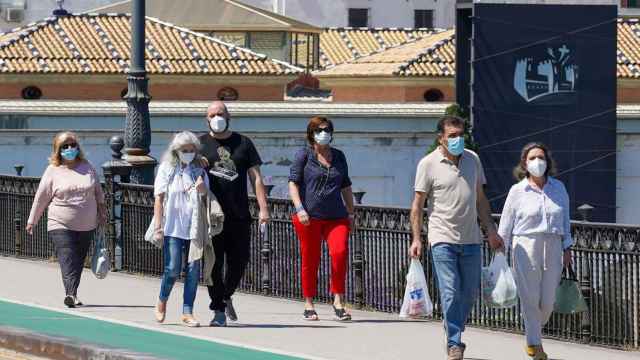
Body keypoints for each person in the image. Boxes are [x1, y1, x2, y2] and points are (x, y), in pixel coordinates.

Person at [409, 116, 503, 360]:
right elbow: (418, 205)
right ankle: (454, 342)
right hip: (442, 238)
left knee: (469, 293)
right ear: (441, 138)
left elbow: (480, 199)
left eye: (460, 134)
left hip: (471, 239)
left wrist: (491, 231)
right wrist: (417, 238)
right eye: (452, 135)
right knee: (450, 292)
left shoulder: (473, 159)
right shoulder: (428, 164)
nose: (457, 139)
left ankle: (453, 328)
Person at [498, 143, 573, 360]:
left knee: (547, 302)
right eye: (532, 158)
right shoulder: (517, 191)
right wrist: (500, 250)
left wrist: (567, 246)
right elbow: (506, 223)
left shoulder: (558, 188)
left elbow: (566, 220)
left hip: (553, 245)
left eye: (541, 157)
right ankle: (534, 344)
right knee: (530, 298)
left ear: (548, 161)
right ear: (524, 163)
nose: (537, 162)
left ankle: (533, 330)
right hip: (525, 245)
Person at [200, 100, 270, 327]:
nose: (216, 117)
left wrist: (263, 209)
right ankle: (218, 310)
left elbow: (256, 177)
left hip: (239, 214)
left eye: (220, 113)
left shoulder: (243, 143)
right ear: (206, 119)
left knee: (240, 261)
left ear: (228, 116)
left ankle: (226, 294)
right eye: (212, 114)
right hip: (211, 217)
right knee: (214, 263)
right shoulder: (199, 144)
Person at [26, 131, 106, 308]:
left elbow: (98, 192)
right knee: (67, 256)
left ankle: (73, 293)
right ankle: (70, 293)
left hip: (87, 223)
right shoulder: (52, 170)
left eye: (73, 145)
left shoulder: (87, 166)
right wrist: (32, 220)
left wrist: (102, 212)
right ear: (58, 150)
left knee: (78, 259)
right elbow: (41, 197)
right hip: (60, 222)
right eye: (65, 146)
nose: (70, 149)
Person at [289, 116, 355, 321]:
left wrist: (351, 212)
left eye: (327, 130)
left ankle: (338, 300)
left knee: (340, 252)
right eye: (319, 130)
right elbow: (293, 183)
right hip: (309, 217)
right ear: (311, 134)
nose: (324, 133)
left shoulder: (339, 156)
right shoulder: (304, 155)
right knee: (310, 259)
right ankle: (309, 303)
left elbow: (345, 185)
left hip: (337, 216)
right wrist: (300, 208)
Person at [152, 131, 210, 327]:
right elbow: (159, 198)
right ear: (176, 151)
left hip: (194, 228)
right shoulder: (167, 169)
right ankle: (162, 299)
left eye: (192, 150)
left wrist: (202, 188)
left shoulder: (199, 170)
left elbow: (205, 198)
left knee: (193, 270)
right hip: (173, 228)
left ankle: (187, 311)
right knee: (172, 269)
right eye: (185, 150)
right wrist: (158, 226)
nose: (189, 153)